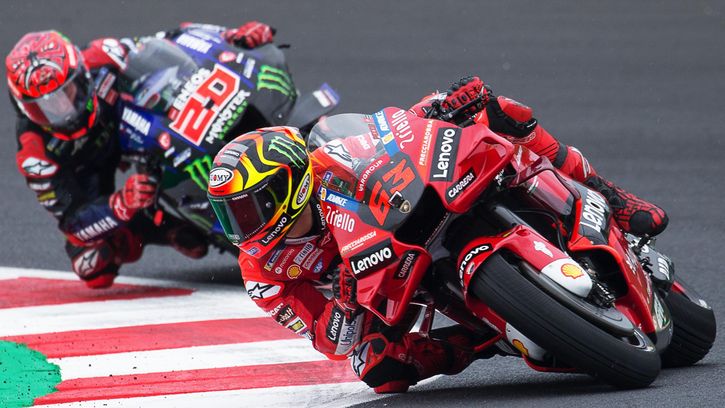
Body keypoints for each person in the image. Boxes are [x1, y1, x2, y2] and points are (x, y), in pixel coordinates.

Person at [206, 76, 668, 393]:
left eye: (248, 208)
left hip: (409, 216)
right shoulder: (262, 272)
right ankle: (483, 341)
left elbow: (387, 131)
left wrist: (441, 106)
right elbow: (331, 344)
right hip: (383, 290)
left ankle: (614, 198)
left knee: (494, 109)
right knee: (376, 367)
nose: (241, 226)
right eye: (230, 215)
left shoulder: (329, 160)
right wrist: (344, 305)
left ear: (289, 184)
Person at [7, 21, 276, 288]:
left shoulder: (102, 55)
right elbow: (73, 224)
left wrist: (230, 36)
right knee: (90, 263)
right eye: (44, 107)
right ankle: (164, 228)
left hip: (126, 128)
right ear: (23, 108)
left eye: (66, 92)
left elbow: (170, 38)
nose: (63, 111)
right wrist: (120, 204)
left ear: (81, 74)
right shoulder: (35, 154)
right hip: (87, 169)